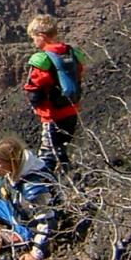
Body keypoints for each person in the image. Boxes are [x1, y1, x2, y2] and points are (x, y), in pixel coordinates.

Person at [24, 14, 85, 172]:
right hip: (71, 111)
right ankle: (68, 182)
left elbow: (33, 89)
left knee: (47, 157)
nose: (34, 42)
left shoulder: (42, 59)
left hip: (52, 115)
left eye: (34, 38)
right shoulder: (72, 53)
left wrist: (36, 107)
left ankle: (48, 191)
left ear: (42, 36)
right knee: (62, 150)